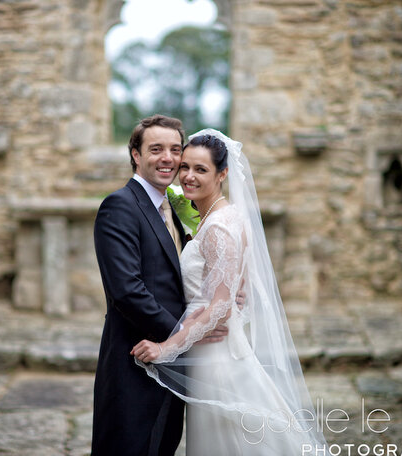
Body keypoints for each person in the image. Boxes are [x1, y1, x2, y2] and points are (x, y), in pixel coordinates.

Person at [131, 130, 328, 455]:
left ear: (223, 174)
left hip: (216, 359)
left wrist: (166, 348)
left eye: (201, 170)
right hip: (223, 347)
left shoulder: (220, 227)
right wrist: (233, 304)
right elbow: (240, 291)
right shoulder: (229, 215)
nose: (189, 177)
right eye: (186, 167)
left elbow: (220, 304)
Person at [91, 115, 229, 456]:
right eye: (156, 149)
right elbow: (127, 290)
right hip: (135, 360)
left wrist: (223, 291)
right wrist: (185, 334)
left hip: (173, 363)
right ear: (136, 155)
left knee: (163, 445)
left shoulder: (176, 205)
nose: (167, 157)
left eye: (174, 149)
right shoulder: (120, 206)